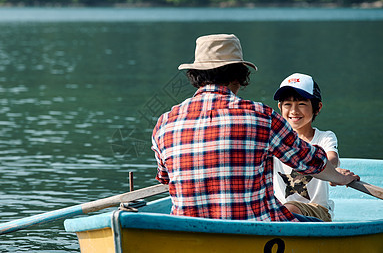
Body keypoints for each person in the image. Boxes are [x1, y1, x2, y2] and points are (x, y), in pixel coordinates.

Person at [151, 34, 359, 222]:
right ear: (238, 76)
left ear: (195, 76)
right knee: (316, 226)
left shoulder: (164, 123)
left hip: (188, 230)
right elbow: (310, 162)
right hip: (254, 229)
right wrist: (341, 178)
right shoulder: (262, 117)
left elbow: (164, 178)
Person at [272, 73, 339, 221]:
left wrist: (333, 171)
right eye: (287, 104)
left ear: (318, 107)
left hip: (317, 210)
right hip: (281, 209)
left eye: (302, 104)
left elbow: (331, 159)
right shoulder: (275, 140)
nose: (294, 111)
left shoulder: (324, 137)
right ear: (280, 107)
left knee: (288, 209)